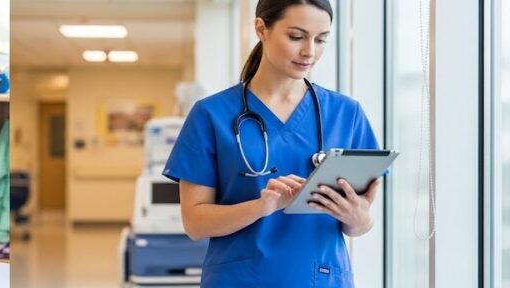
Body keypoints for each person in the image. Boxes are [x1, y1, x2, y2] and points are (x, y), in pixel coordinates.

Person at [162, 0, 380, 287]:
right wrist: (263, 206)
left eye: (321, 39)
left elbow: (359, 224)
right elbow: (195, 222)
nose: (310, 52)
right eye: (296, 36)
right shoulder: (211, 115)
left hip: (321, 279)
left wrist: (359, 217)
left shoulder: (346, 114)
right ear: (261, 28)